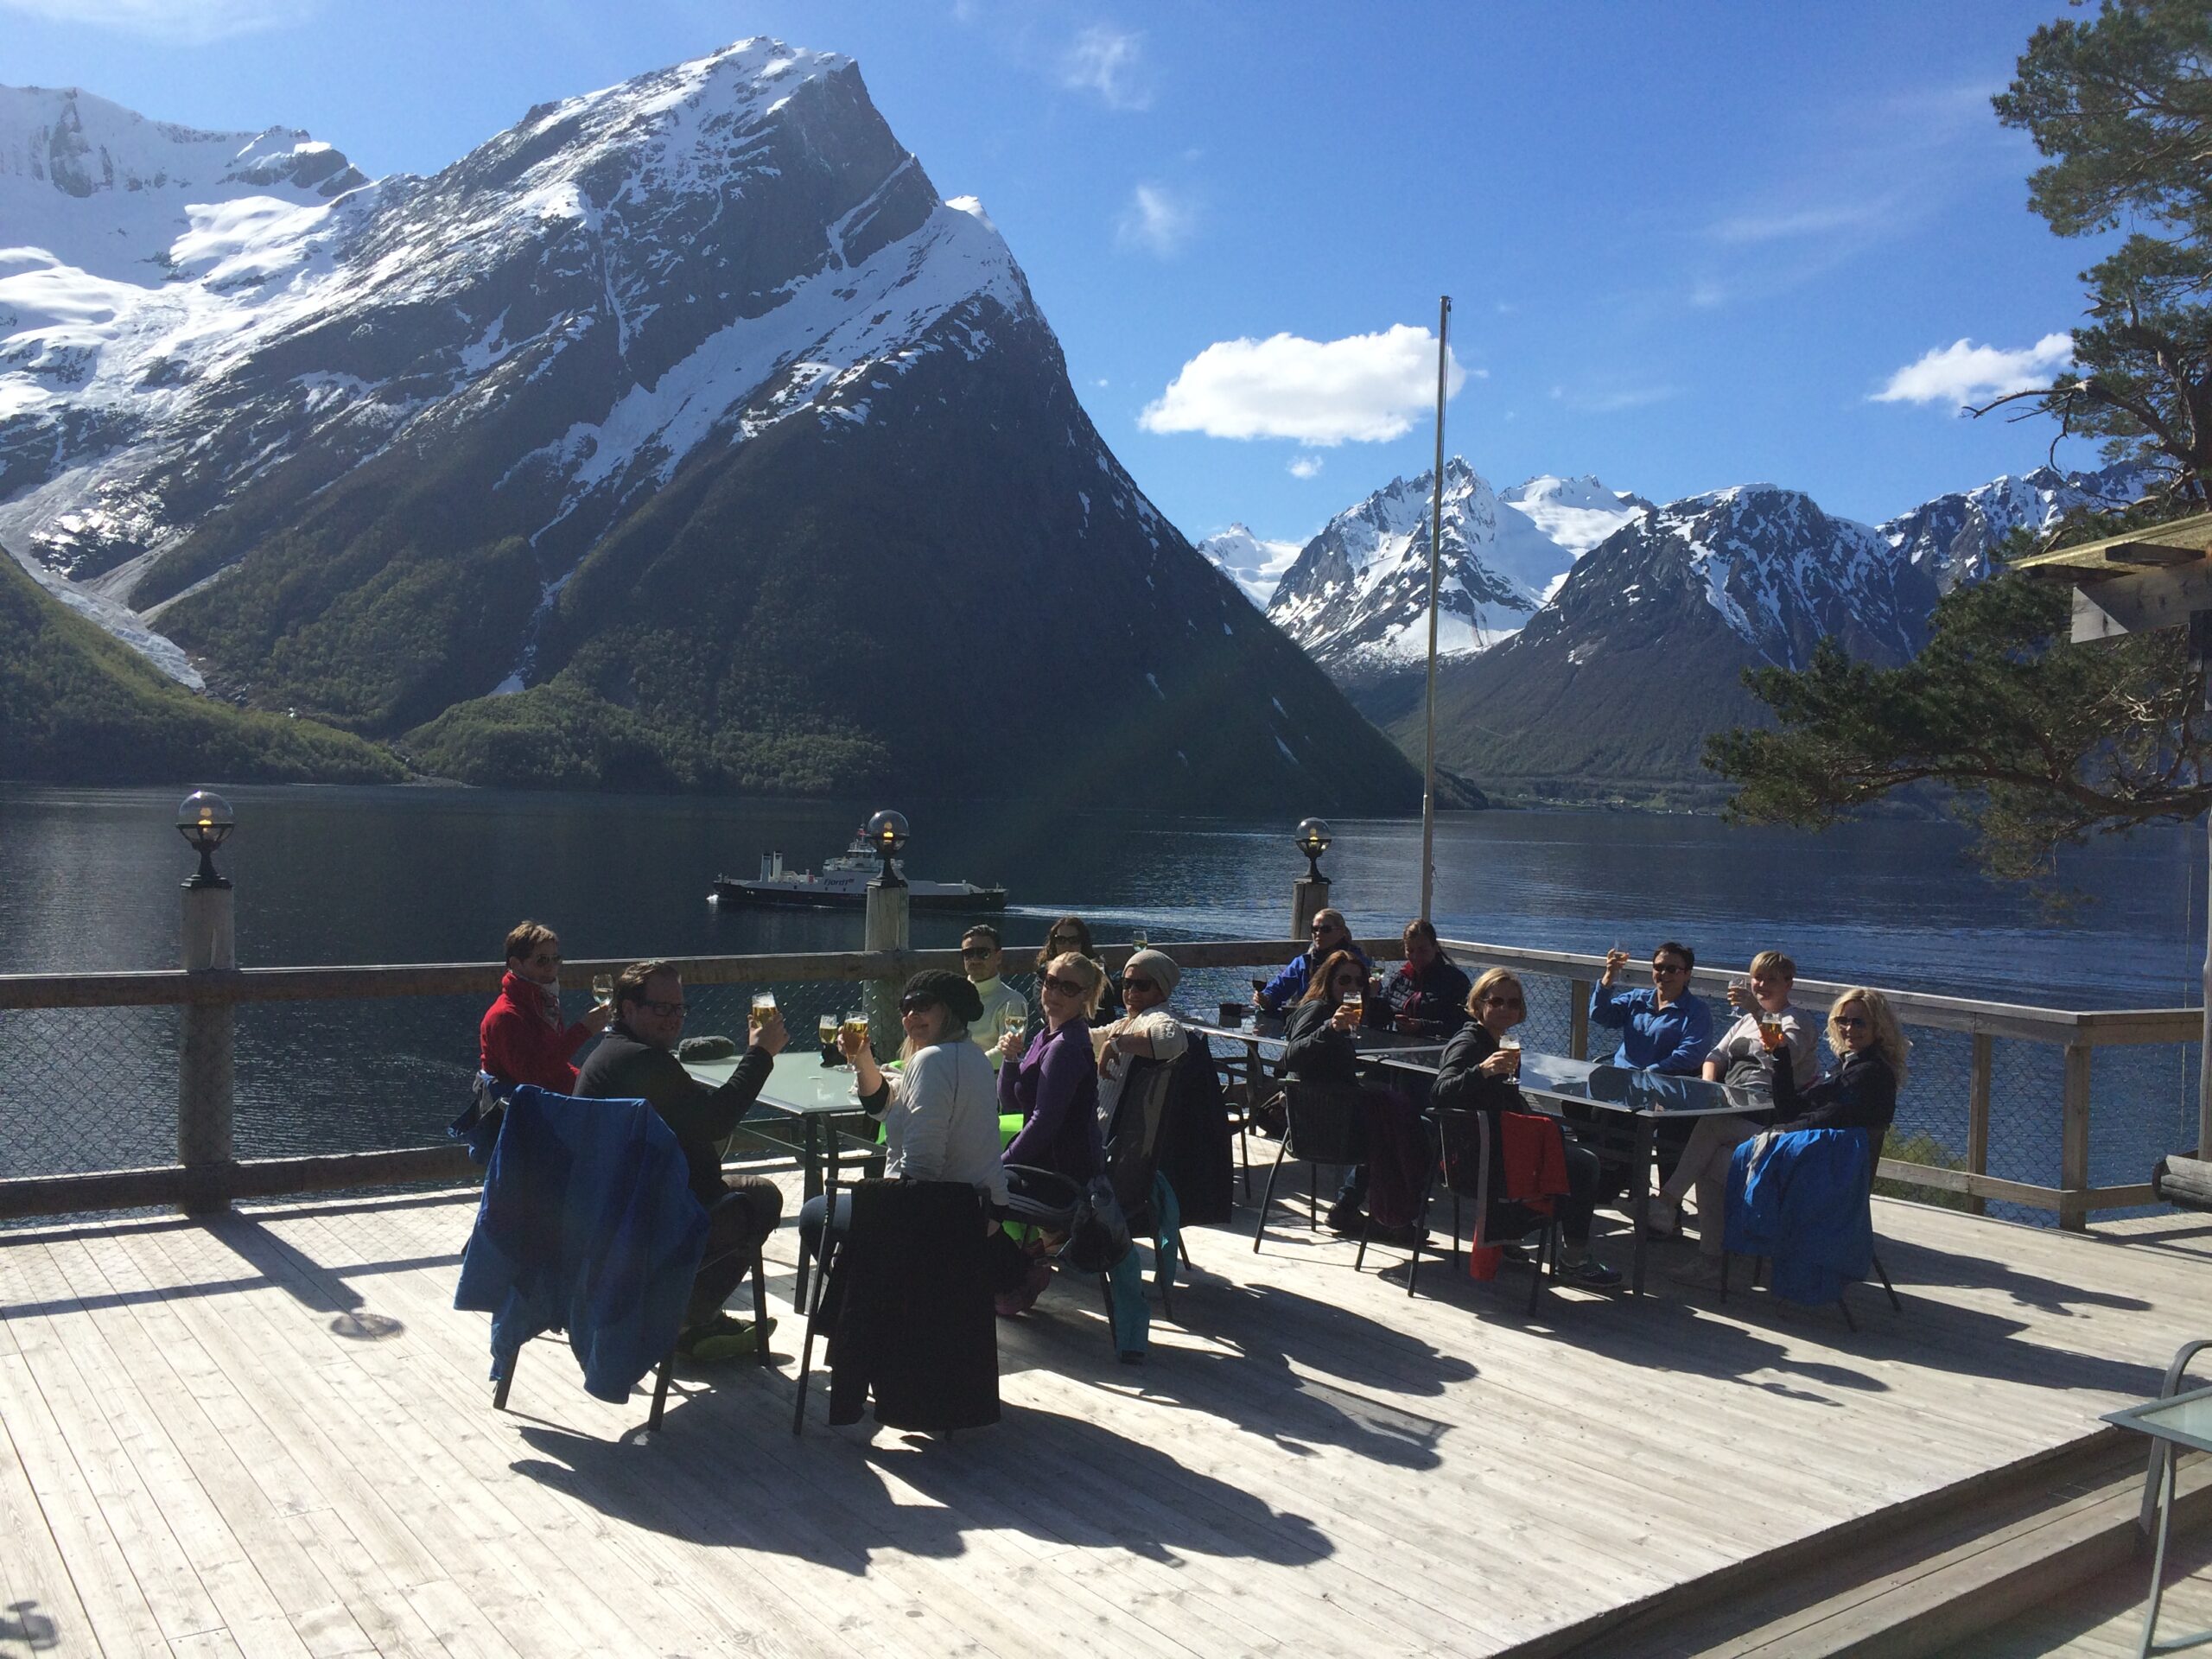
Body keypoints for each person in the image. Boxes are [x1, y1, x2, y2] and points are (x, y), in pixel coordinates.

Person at [574, 960, 786, 1361]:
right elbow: (716, 1120)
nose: (673, 1018)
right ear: (627, 1008)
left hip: (613, 1217)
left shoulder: (609, 1055)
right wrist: (760, 1053)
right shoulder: (642, 1063)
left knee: (737, 1191)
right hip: (650, 1228)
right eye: (661, 1008)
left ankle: (689, 1321)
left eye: (678, 1008)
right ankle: (690, 1322)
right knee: (761, 1198)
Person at [802, 971, 1025, 1292]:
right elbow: (884, 1107)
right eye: (905, 1007)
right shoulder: (971, 1055)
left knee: (814, 1213)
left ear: (950, 1009)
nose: (911, 1015)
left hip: (945, 1213)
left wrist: (885, 1215)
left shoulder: (931, 1060)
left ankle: (868, 1297)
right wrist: (863, 1057)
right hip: (981, 1205)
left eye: (922, 1005)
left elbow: (922, 1166)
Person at [1432, 969, 1621, 1288]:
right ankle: (1572, 1259)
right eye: (1496, 1001)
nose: (1505, 1009)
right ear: (1479, 1004)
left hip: (1499, 1148)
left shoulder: (1505, 1043)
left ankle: (1507, 1232)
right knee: (1584, 1164)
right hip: (1479, 1160)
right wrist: (1481, 1071)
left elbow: (1507, 1099)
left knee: (1563, 1146)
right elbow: (1439, 1092)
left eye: (1513, 1003)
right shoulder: (1469, 1043)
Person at [1649, 950, 1820, 1281]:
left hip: (1771, 1119)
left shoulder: (1797, 1020)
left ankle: (1666, 1205)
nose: (1761, 984)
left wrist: (1757, 1011)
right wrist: (1710, 1084)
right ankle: (1709, 1258)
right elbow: (1715, 1054)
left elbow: (1784, 1054)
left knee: (1710, 1127)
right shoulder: (1743, 1022)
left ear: (1789, 983)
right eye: (1757, 977)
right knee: (1708, 1161)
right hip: (1733, 1107)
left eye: (1771, 979)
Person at [1283, 950, 1428, 1243]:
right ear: (1328, 981)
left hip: (1329, 1118)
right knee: (1410, 1128)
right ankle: (1390, 1217)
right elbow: (1290, 1058)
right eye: (1344, 980)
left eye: (1359, 982)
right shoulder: (1318, 1010)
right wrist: (1330, 1028)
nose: (1352, 988)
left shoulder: (1341, 1010)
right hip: (1321, 1127)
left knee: (1397, 1117)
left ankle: (1351, 1207)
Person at [995, 950, 1108, 1313]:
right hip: (1051, 1165)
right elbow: (1012, 1103)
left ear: (1086, 996)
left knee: (970, 1190)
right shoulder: (1047, 1035)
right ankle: (1023, 1263)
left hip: (1062, 1176)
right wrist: (1011, 1060)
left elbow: (1043, 1123)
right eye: (1049, 980)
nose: (1054, 991)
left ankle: (1012, 1275)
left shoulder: (1064, 1047)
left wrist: (999, 1165)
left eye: (1068, 987)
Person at [478, 920, 610, 1093]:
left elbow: (554, 1064)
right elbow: (532, 1076)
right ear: (517, 964)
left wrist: (591, 1081)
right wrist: (582, 1030)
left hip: (548, 1100)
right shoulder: (505, 1015)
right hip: (526, 1111)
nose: (551, 966)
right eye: (542, 960)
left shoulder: (543, 1002)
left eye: (555, 959)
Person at [1767, 987, 1907, 1139]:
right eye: (1842, 1021)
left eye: (1858, 1022)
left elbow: (1825, 1119)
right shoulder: (1845, 1067)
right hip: (1821, 1151)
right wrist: (1780, 1052)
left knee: (1746, 1144)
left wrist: (1775, 1133)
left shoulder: (1870, 1073)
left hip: (1833, 1158)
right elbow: (1789, 1110)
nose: (1849, 1028)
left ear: (1878, 1027)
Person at [1091, 948, 1190, 1135]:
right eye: (1127, 983)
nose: (1132, 991)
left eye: (1142, 985)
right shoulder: (1126, 1023)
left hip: (1108, 1137)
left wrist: (1115, 1045)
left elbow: (1172, 1037)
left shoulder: (1154, 1016)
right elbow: (1091, 1038)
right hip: (1099, 1130)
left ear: (1161, 991)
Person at [1589, 941, 1713, 1074]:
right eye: (1658, 967)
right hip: (1621, 1078)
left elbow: (1690, 1055)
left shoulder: (1697, 1012)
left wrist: (1650, 1072)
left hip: (1663, 1085)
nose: (1664, 973)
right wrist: (1608, 977)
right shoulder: (1636, 999)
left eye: (1672, 969)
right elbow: (1599, 1015)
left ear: (1687, 974)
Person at [1256, 908, 1367, 1014]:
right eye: (1314, 929)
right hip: (1312, 1018)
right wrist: (1265, 999)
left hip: (1350, 1016)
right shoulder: (1304, 962)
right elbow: (1277, 989)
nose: (1318, 933)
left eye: (1325, 929)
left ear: (1341, 932)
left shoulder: (1356, 961)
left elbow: (1372, 991)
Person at [1374, 919, 1471, 1039]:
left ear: (1435, 947)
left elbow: (1465, 1025)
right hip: (1400, 1047)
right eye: (1410, 950)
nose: (1415, 956)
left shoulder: (1455, 981)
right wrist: (1371, 996)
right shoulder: (1400, 978)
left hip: (1438, 1048)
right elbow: (1378, 1018)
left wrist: (1422, 1026)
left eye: (1422, 950)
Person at [961, 925, 1029, 1071]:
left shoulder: (1013, 1002)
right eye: (968, 953)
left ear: (998, 957)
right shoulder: (952, 995)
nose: (974, 959)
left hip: (988, 1080)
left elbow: (1005, 1053)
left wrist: (963, 1070)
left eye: (983, 953)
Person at [1035, 916, 1121, 1020]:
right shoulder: (1044, 973)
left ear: (1083, 943)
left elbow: (1106, 1004)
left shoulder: (1098, 970)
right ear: (1054, 943)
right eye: (1060, 940)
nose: (1067, 945)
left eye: (1073, 940)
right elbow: (1045, 1009)